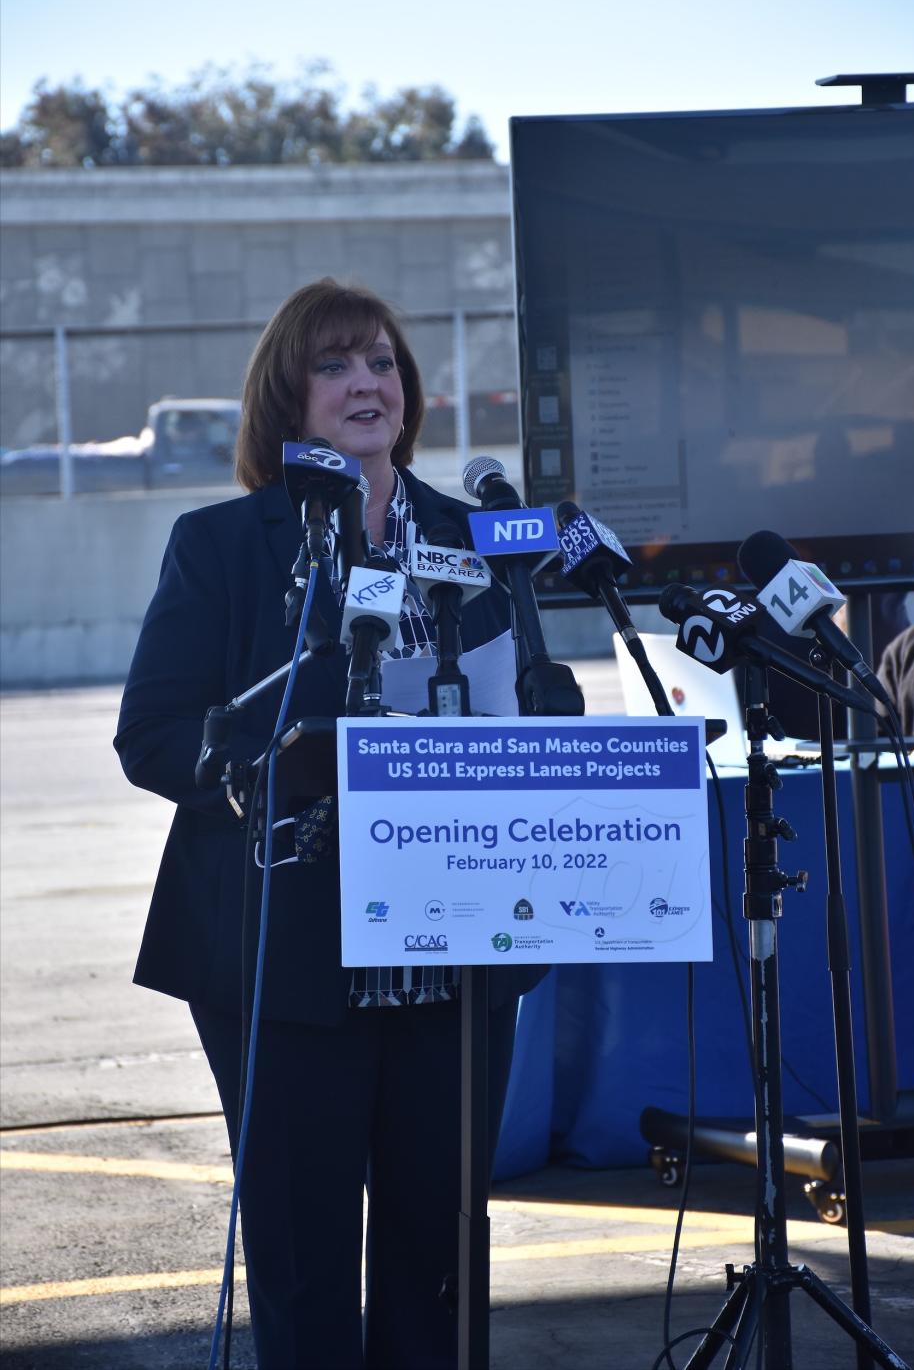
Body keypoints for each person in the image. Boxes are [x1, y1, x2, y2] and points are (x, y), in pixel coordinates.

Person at [114, 278, 547, 1369]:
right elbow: (155, 731)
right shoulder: (224, 544)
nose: (367, 383)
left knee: (437, 1242)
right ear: (288, 401)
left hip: (453, 953)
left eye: (383, 363)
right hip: (284, 949)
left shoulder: (476, 535)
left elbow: (537, 706)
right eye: (337, 365)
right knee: (304, 1255)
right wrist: (276, 766)